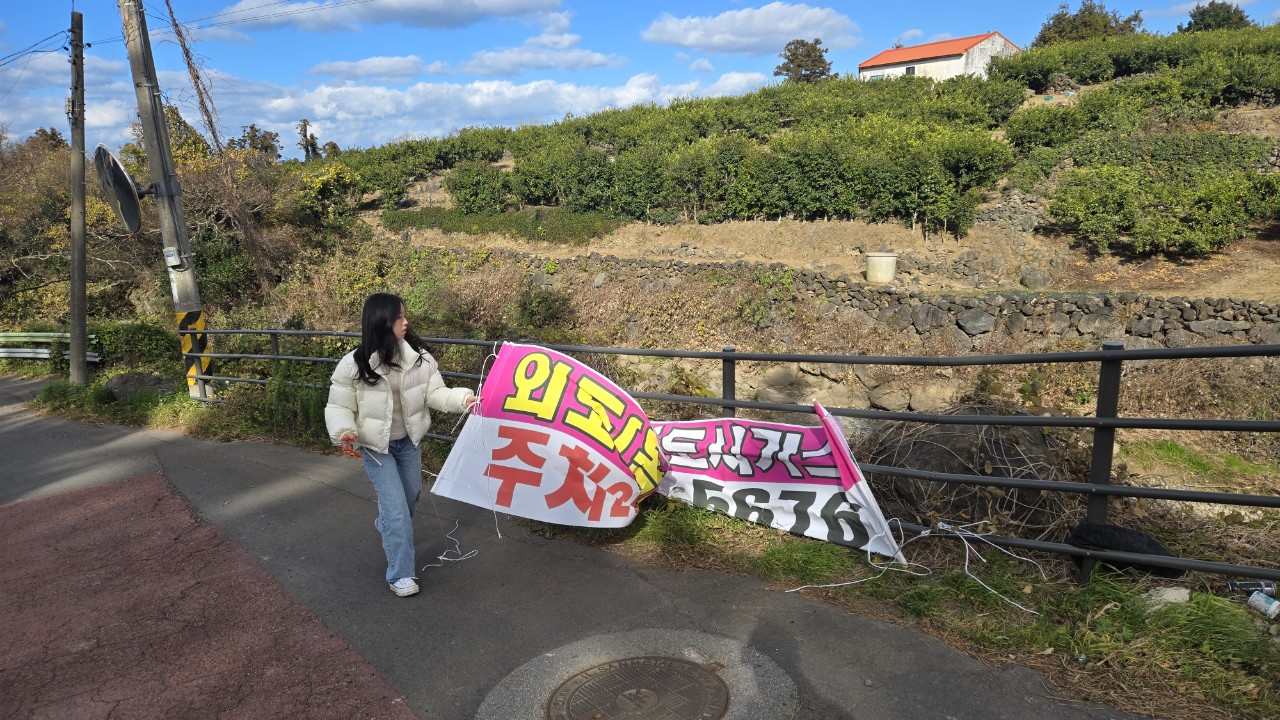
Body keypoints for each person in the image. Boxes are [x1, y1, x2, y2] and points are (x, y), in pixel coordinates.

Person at [325, 292, 476, 597]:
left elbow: (436, 394)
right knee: (396, 512)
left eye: (405, 316)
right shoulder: (353, 364)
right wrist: (344, 432)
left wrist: (463, 399)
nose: (406, 322)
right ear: (381, 321)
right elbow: (338, 406)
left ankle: (389, 527)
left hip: (408, 444)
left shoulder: (420, 359)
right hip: (376, 449)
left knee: (409, 499)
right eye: (399, 318)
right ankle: (400, 574)